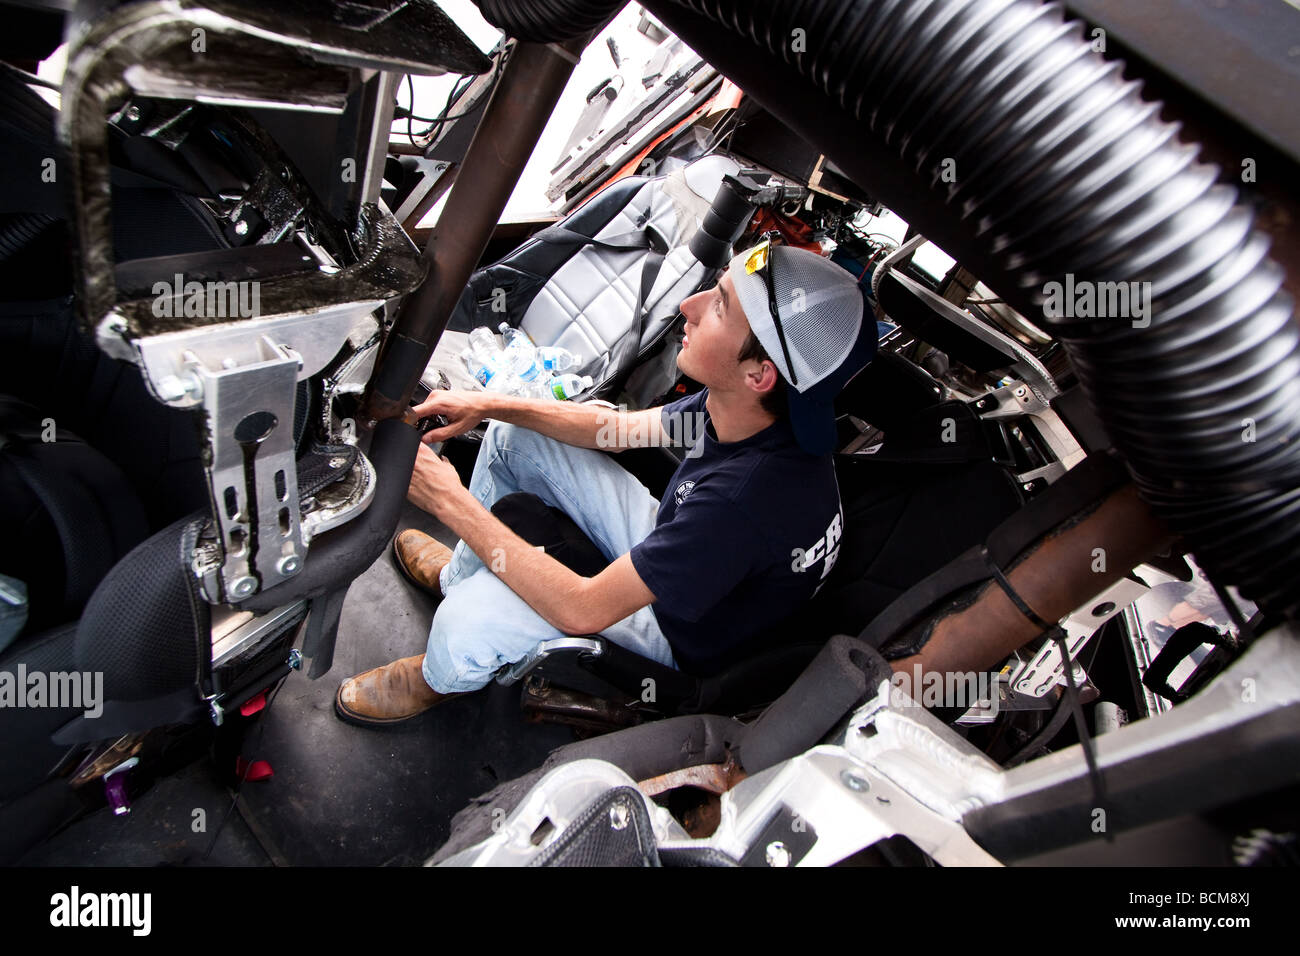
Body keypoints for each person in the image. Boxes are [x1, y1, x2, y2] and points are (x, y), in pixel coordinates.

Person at [335, 240, 876, 725]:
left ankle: (443, 677)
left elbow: (584, 607)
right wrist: (489, 404)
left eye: (718, 306)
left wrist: (449, 503)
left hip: (678, 632)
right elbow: (616, 428)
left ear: (759, 374)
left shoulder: (744, 502)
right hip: (687, 555)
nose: (688, 305)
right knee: (512, 436)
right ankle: (459, 572)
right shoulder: (745, 411)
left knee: (469, 619)